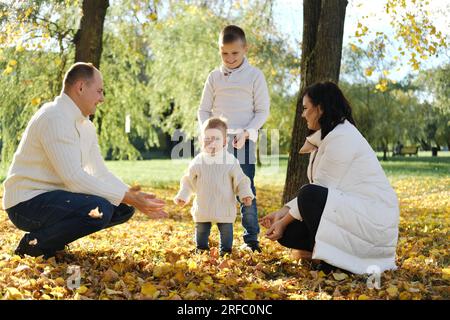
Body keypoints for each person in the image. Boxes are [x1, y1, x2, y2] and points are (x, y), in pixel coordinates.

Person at [3, 62, 167, 259]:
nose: (102, 98)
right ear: (80, 87)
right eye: (99, 91)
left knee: (123, 208)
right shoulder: (54, 117)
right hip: (25, 203)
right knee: (99, 209)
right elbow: (74, 178)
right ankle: (33, 245)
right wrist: (127, 195)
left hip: (53, 198)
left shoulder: (85, 125)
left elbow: (99, 172)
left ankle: (52, 240)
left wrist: (132, 195)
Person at [260, 81, 399, 275]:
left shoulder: (343, 136)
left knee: (307, 197)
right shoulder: (328, 137)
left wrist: (282, 222)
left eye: (306, 108)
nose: (303, 114)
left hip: (374, 221)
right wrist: (281, 213)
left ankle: (333, 261)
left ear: (320, 109)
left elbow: (317, 191)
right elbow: (318, 190)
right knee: (289, 234)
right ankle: (328, 256)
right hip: (352, 212)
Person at [197, 25, 270, 252]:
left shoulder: (255, 76)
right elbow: (203, 110)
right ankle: (206, 240)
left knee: (245, 189)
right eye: (224, 53)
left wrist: (247, 132)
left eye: (235, 53)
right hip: (216, 143)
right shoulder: (214, 77)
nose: (229, 58)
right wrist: (208, 134)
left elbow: (262, 111)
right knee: (211, 187)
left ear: (245, 49)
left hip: (244, 140)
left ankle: (251, 241)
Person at [174, 117, 254, 256]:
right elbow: (188, 180)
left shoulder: (230, 161)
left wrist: (245, 194)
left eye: (216, 139)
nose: (212, 142)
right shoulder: (198, 161)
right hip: (204, 205)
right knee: (201, 229)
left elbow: (241, 180)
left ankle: (226, 252)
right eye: (207, 139)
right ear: (201, 140)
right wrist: (183, 195)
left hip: (224, 204)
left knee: (226, 230)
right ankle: (201, 250)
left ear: (224, 141)